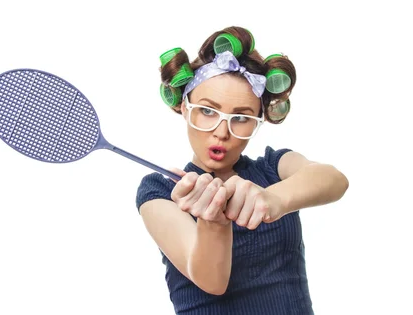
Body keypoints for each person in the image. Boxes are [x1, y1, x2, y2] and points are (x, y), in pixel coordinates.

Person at [135, 26, 349, 314]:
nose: (221, 132)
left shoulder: (273, 168)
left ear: (259, 121)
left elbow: (335, 180)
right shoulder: (161, 192)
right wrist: (215, 220)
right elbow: (212, 280)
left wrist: (273, 199)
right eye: (208, 111)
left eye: (240, 118)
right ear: (185, 108)